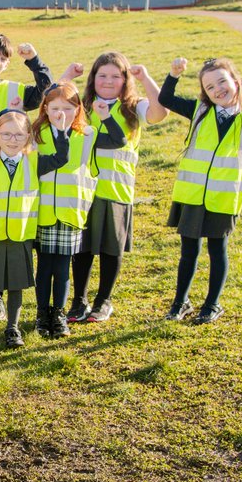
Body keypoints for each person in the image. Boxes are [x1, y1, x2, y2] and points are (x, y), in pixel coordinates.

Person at [160, 57, 242, 324]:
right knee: (188, 251)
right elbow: (166, 99)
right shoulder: (200, 111)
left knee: (217, 249)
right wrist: (173, 74)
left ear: (236, 82)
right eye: (210, 87)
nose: (218, 90)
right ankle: (181, 302)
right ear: (205, 92)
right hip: (192, 195)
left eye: (222, 82)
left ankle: (212, 304)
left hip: (223, 198)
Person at [66, 53, 170, 325]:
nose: (108, 81)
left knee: (112, 249)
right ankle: (79, 300)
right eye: (102, 75)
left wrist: (145, 77)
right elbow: (53, 101)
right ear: (93, 79)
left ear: (125, 81)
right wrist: (67, 77)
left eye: (115, 76)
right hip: (83, 190)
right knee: (82, 249)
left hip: (117, 190)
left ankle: (104, 300)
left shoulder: (133, 107)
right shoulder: (83, 107)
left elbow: (160, 113)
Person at [0, 107, 71, 349]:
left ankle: (13, 328)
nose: (13, 140)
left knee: (16, 285)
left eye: (19, 135)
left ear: (28, 138)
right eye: (7, 134)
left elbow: (62, 158)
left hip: (20, 235)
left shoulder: (34, 163)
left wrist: (61, 131)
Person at [31, 83, 124, 338]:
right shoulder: (37, 134)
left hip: (71, 214)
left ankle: (59, 314)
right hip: (42, 214)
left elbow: (119, 139)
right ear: (45, 109)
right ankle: (42, 314)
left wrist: (105, 115)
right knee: (44, 268)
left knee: (62, 269)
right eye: (55, 108)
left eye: (68, 108)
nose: (61, 113)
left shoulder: (88, 135)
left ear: (78, 109)